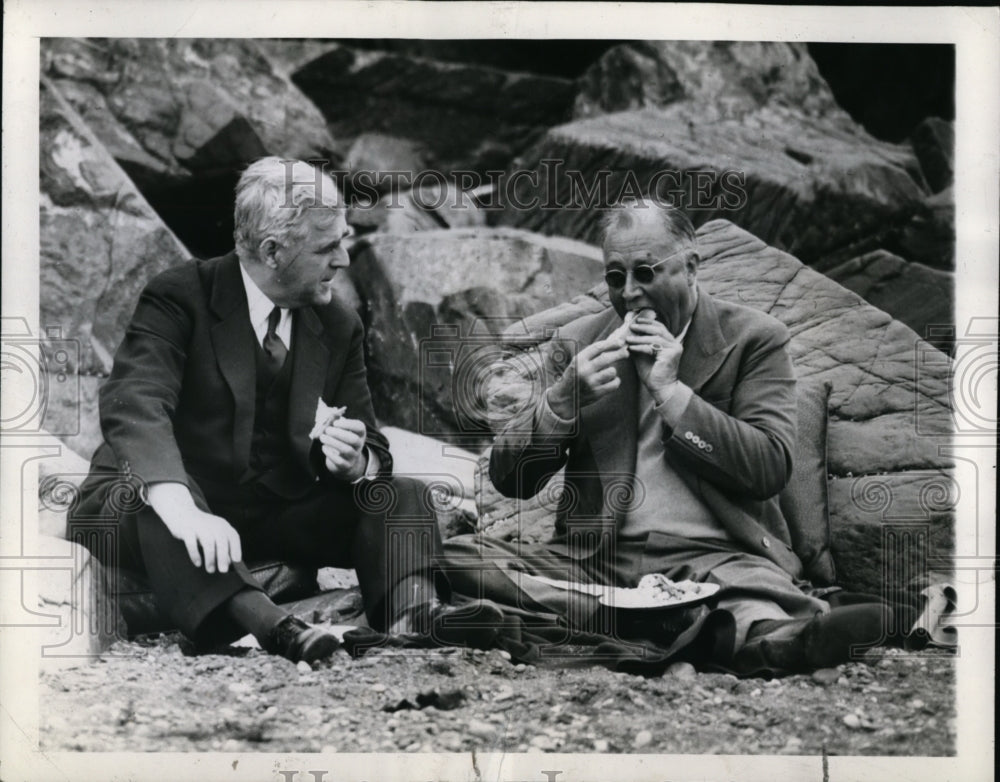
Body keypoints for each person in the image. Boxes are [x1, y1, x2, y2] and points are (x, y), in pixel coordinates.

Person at [70, 157, 498, 663]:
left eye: (343, 239)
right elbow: (135, 405)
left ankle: (416, 615)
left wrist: (357, 462)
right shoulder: (179, 298)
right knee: (151, 503)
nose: (343, 258)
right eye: (327, 246)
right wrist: (183, 508)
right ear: (272, 251)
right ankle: (277, 629)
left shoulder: (337, 323)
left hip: (272, 513)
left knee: (403, 493)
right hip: (160, 506)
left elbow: (372, 441)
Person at [444, 198, 888, 674]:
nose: (630, 292)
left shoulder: (754, 339)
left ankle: (748, 636)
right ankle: (653, 622)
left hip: (715, 557)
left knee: (758, 607)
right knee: (453, 557)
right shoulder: (581, 342)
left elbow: (768, 469)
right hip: (598, 559)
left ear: (691, 267)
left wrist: (673, 394)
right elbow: (512, 481)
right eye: (616, 277)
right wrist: (560, 403)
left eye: (646, 272)